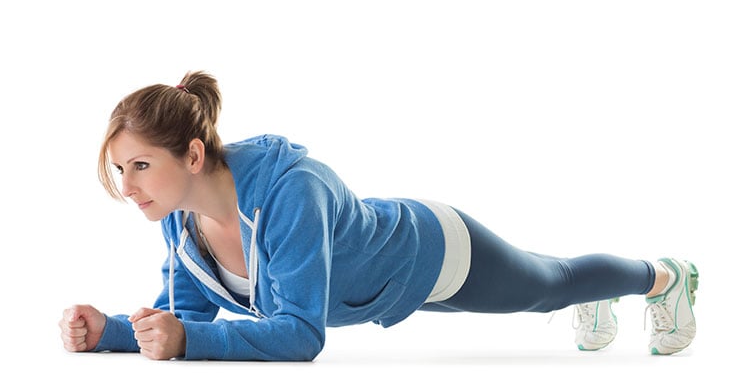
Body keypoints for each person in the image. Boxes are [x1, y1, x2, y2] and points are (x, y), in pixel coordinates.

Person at [59, 71, 699, 361]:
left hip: (433, 252)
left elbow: (301, 335)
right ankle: (599, 296)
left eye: (140, 166)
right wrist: (110, 331)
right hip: (378, 291)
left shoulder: (289, 194)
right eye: (120, 170)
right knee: (549, 291)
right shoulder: (179, 220)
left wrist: (188, 343)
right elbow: (185, 315)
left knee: (547, 287)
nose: (127, 185)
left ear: (193, 154)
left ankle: (663, 278)